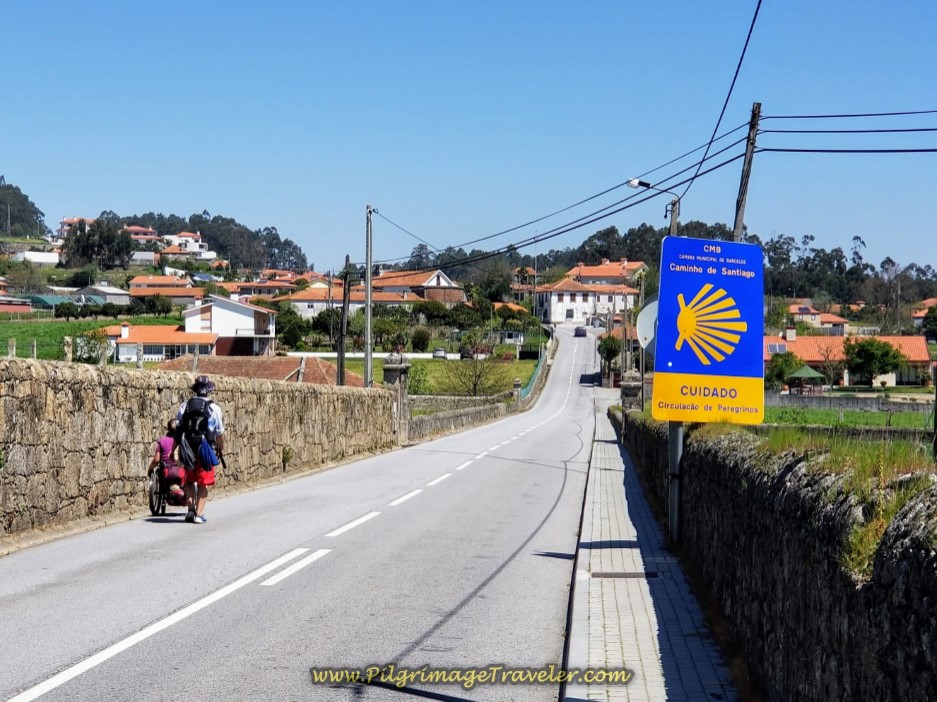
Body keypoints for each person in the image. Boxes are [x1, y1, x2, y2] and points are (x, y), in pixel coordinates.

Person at [177, 375, 225, 524]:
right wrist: (220, 449)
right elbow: (219, 433)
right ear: (208, 391)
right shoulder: (214, 408)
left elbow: (179, 428)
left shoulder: (185, 406)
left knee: (190, 481)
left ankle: (190, 510)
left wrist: (177, 449)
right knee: (203, 483)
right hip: (205, 447)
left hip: (188, 446)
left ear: (196, 390)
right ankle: (199, 514)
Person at [147, 419, 184, 496]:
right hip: (180, 469)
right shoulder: (182, 440)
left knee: (160, 471)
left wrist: (150, 468)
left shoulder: (162, 441)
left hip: (166, 471)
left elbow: (157, 460)